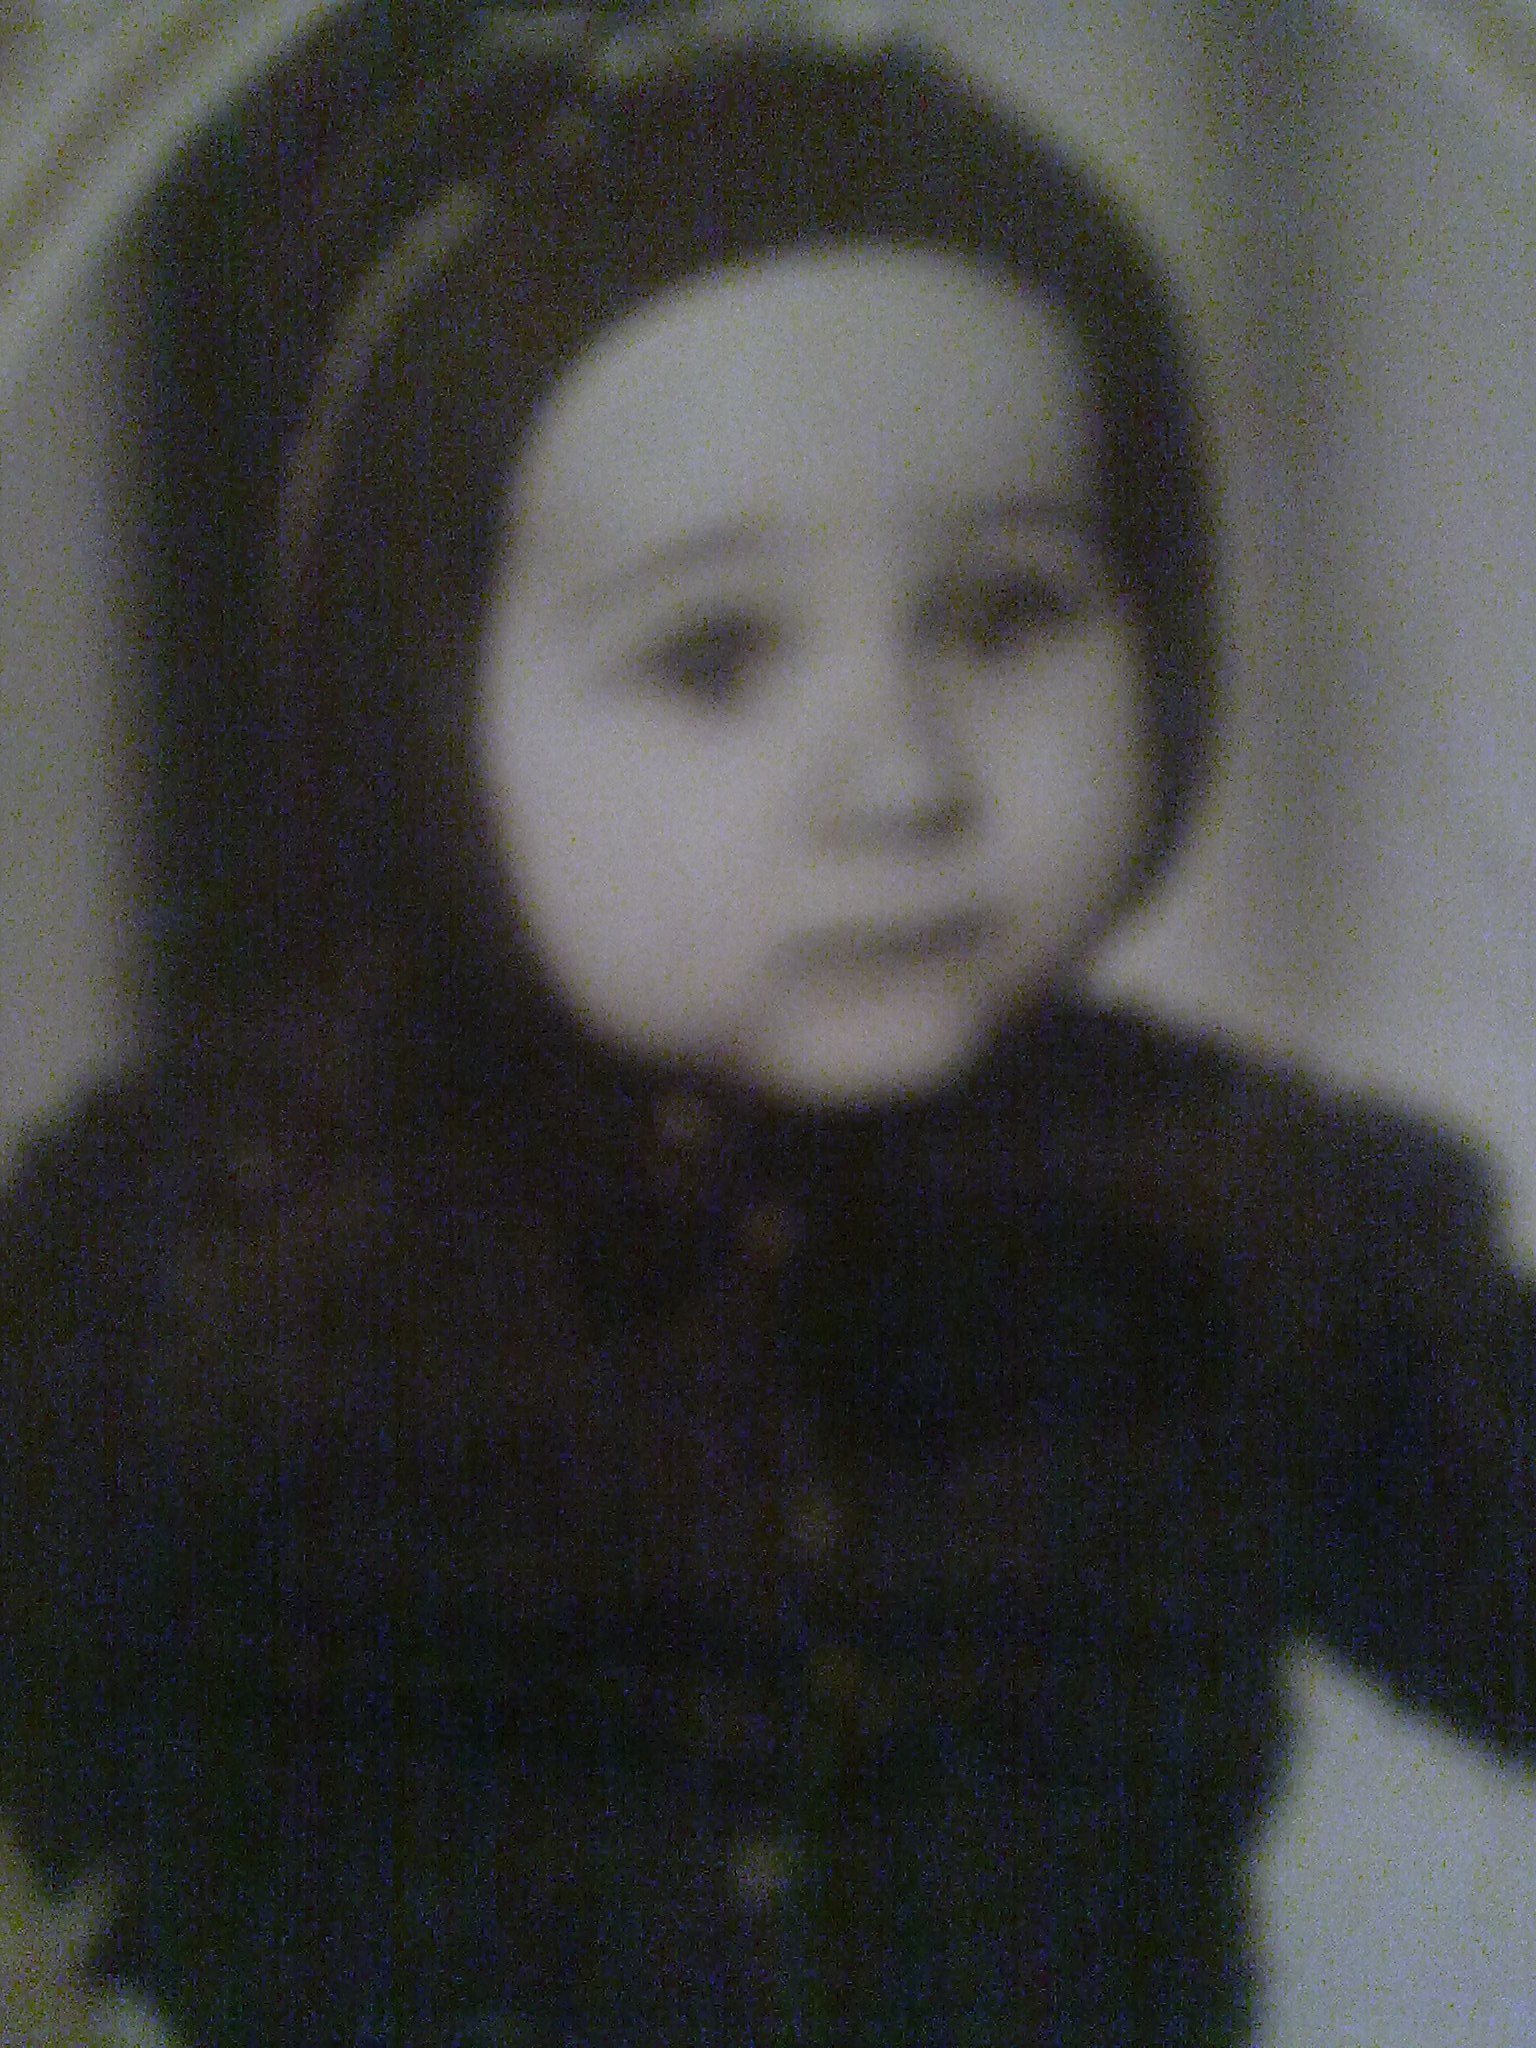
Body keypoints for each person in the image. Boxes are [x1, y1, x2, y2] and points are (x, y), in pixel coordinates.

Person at [2, 9, 1533, 2045]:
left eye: (1004, 615)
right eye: (713, 656)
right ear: (429, 722)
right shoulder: (190, 1243)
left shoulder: (1267, 1232)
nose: (901, 779)